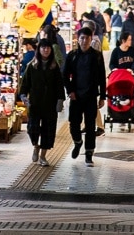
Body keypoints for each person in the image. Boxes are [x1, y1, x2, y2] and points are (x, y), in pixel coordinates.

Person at [19, 38, 66, 167]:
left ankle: (43, 156)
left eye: (48, 48)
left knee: (48, 130)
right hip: (35, 103)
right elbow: (25, 85)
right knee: (32, 129)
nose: (46, 50)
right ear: (39, 50)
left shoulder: (54, 66)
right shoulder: (31, 66)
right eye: (43, 47)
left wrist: (60, 100)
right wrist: (23, 96)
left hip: (50, 104)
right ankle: (36, 146)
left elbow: (59, 85)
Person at [63, 27, 107, 167]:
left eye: (87, 38)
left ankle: (89, 154)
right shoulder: (72, 55)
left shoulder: (97, 56)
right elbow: (65, 75)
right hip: (76, 96)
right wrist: (70, 91)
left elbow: (102, 77)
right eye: (82, 38)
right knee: (73, 124)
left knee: (90, 126)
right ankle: (77, 142)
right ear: (78, 39)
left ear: (91, 39)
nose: (84, 41)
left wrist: (102, 97)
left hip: (91, 96)